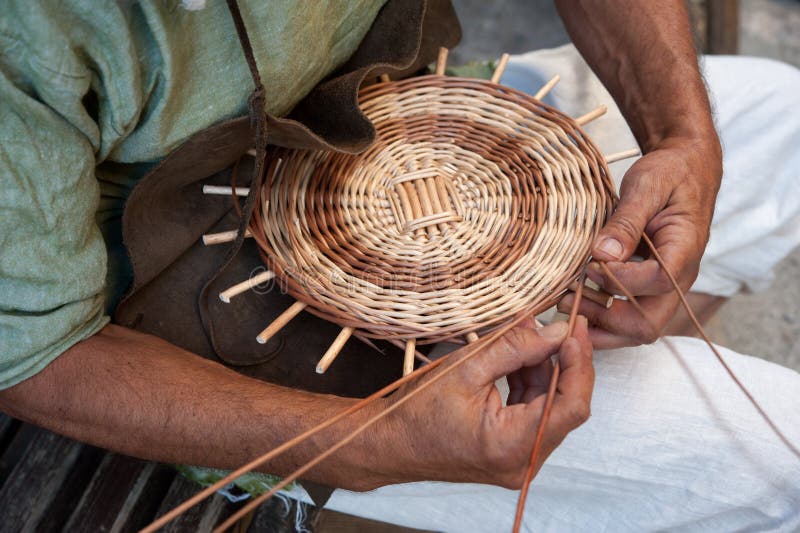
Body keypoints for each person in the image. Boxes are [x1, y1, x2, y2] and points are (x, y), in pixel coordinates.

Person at [0, 1, 798, 530]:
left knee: (782, 116)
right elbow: (32, 354)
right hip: (216, 312)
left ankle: (616, 417)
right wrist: (370, 442)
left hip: (410, 126)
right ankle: (370, 501)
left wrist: (682, 134)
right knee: (779, 455)